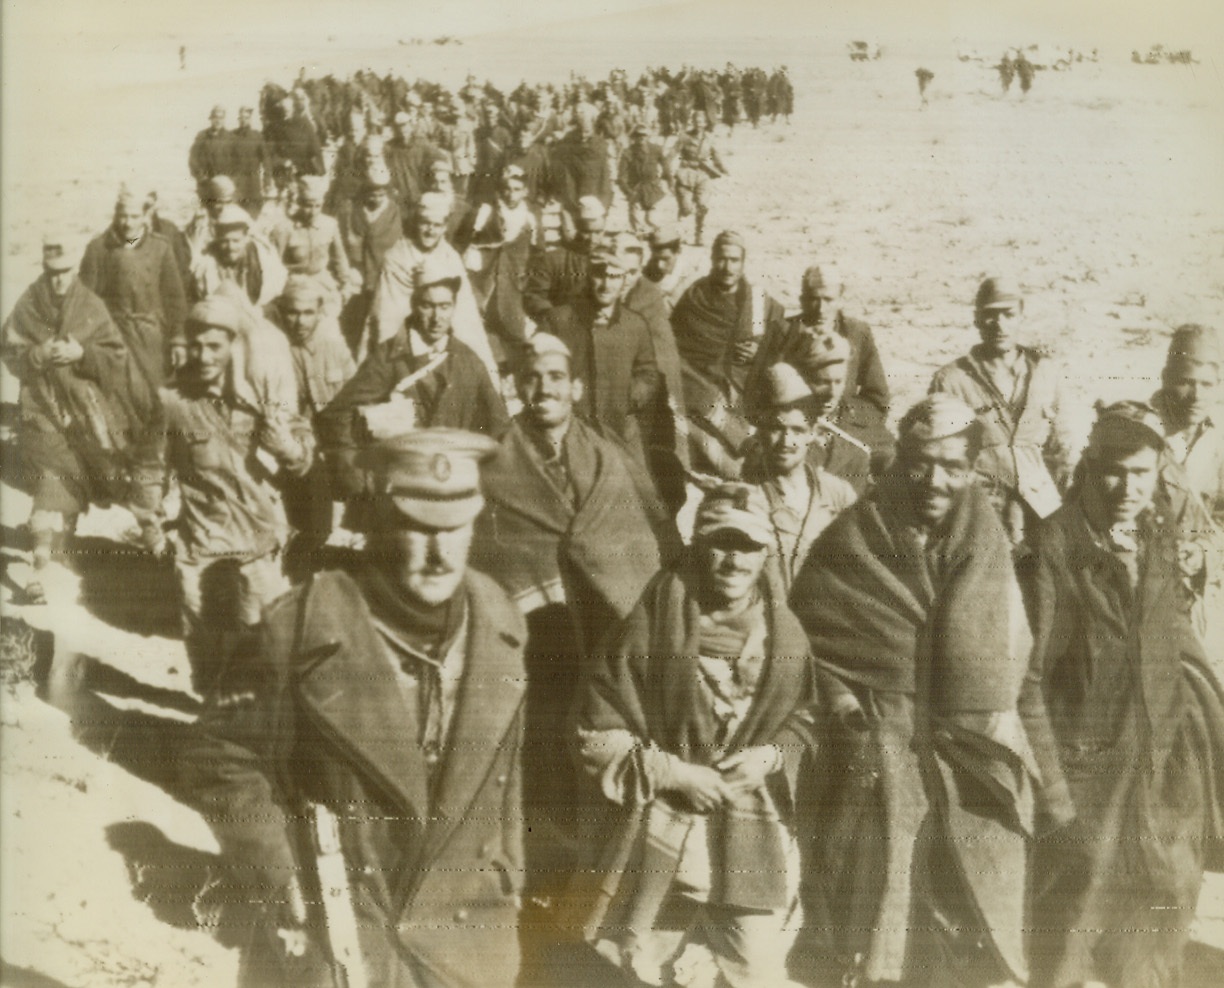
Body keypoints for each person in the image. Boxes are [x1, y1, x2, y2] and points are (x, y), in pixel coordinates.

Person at [179, 428, 528, 988]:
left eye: (454, 528)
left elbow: (504, 773)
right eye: (417, 527)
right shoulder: (302, 625)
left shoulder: (500, 619)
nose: (438, 552)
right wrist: (279, 873)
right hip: (341, 932)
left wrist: (509, 871)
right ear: (381, 523)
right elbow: (219, 757)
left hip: (466, 941)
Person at [790, 394, 1070, 988]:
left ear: (972, 471)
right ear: (900, 462)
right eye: (921, 462)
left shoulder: (987, 545)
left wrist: (1048, 785)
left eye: (953, 466)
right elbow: (805, 641)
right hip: (877, 746)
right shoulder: (852, 538)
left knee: (968, 914)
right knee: (876, 913)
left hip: (972, 751)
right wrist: (842, 701)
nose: (935, 481)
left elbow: (1010, 670)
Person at [570, 482, 818, 988]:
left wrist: (769, 757)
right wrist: (675, 773)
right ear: (699, 545)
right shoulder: (649, 626)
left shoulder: (784, 634)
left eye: (748, 546)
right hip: (658, 826)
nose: (734, 561)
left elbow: (807, 718)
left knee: (758, 968)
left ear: (766, 552)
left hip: (751, 829)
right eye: (722, 543)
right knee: (630, 963)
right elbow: (593, 730)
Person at [1022, 401, 1224, 988]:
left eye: (1142, 473)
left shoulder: (1154, 535)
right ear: (1088, 465)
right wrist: (1056, 795)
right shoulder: (1053, 550)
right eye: (1115, 470)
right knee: (1065, 951)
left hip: (1162, 785)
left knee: (1156, 947)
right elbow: (1028, 682)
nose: (1128, 488)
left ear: (1159, 470)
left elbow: (1176, 642)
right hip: (1084, 789)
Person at [142, 296, 313, 696]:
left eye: (215, 346)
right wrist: (150, 526)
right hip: (201, 547)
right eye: (197, 345)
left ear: (233, 346)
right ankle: (212, 721)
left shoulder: (260, 397)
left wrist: (289, 447)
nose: (204, 356)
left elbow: (302, 449)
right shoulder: (173, 402)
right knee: (208, 656)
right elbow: (149, 467)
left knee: (270, 649)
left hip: (258, 545)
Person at [1, 235, 151, 604]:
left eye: (65, 272)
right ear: (44, 270)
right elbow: (9, 349)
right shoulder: (28, 305)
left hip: (92, 413)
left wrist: (81, 353)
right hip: (42, 408)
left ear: (75, 271)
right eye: (52, 273)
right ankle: (41, 567)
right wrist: (37, 355)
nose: (58, 280)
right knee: (54, 476)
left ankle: (153, 539)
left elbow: (115, 357)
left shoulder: (91, 305)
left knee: (109, 472)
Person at [319, 261, 509, 506]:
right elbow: (337, 415)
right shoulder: (389, 358)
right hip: (398, 488)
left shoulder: (468, 360)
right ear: (414, 305)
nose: (436, 317)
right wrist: (357, 474)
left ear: (453, 308)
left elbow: (500, 426)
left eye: (444, 306)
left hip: (451, 485)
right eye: (427, 306)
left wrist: (484, 477)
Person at [930, 276, 1077, 544]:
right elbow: (939, 456)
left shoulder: (1047, 373)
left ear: (1021, 315)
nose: (999, 324)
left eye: (1008, 314)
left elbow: (1063, 446)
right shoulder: (951, 380)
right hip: (981, 511)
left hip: (1042, 507)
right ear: (976, 319)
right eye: (989, 315)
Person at [671, 230, 786, 479]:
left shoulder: (757, 300)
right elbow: (673, 342)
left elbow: (784, 340)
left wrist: (762, 352)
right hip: (699, 382)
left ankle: (742, 454)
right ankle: (740, 451)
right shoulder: (695, 296)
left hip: (744, 388)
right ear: (713, 260)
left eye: (734, 260)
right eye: (722, 259)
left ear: (743, 263)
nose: (727, 267)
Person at [540, 248, 661, 477]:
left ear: (624, 281)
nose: (606, 285)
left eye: (614, 277)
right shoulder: (558, 320)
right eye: (599, 275)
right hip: (569, 428)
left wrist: (628, 397)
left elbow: (648, 373)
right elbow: (538, 367)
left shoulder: (635, 325)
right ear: (587, 275)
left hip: (618, 428)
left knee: (639, 497)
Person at [267, 275, 356, 573]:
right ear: (281, 311)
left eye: (308, 312)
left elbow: (355, 395)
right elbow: (284, 416)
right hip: (298, 445)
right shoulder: (273, 351)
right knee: (314, 521)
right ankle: (298, 569)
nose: (300, 321)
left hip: (339, 441)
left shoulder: (334, 345)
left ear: (320, 311)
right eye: (292, 312)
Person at [743, 363, 857, 589]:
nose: (787, 441)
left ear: (813, 433)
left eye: (798, 430)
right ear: (761, 430)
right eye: (776, 429)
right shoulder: (744, 495)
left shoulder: (839, 495)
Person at [364, 191, 495, 378]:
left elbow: (465, 316)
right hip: (407, 338)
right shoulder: (397, 257)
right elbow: (388, 316)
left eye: (437, 225)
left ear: (444, 227)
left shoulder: (451, 257)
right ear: (416, 223)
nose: (430, 231)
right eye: (425, 223)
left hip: (443, 336)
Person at [753, 263, 891, 438]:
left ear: (840, 299)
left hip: (842, 428)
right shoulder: (782, 332)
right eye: (813, 299)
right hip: (790, 429)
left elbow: (877, 400)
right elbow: (756, 395)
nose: (821, 308)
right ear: (802, 300)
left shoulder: (857, 333)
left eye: (828, 299)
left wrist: (841, 417)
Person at [79, 187, 188, 391]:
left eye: (134, 216)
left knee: (156, 395)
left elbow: (175, 299)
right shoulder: (98, 249)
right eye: (123, 216)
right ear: (116, 215)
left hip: (153, 337)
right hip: (114, 337)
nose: (127, 223)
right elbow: (85, 300)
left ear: (146, 216)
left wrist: (178, 340)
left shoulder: (161, 248)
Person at [456, 163, 538, 369]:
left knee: (513, 327)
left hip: (512, 281)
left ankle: (513, 370)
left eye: (517, 189)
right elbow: (462, 242)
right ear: (500, 190)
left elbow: (537, 253)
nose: (511, 194)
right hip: (482, 279)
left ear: (525, 191)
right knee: (476, 325)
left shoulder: (529, 218)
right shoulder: (485, 212)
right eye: (507, 189)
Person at [1152, 324, 1224, 526]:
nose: (1197, 396)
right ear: (1166, 379)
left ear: (1218, 385)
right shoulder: (1136, 431)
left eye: (1207, 385)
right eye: (1186, 383)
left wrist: (1202, 552)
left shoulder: (1218, 441)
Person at [269, 176, 357, 309]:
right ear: (299, 203)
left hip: (321, 282)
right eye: (308, 206)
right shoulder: (284, 228)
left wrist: (346, 283)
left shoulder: (329, 225)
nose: (313, 212)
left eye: (318, 206)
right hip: (293, 285)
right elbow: (273, 265)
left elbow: (340, 258)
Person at [522, 195, 607, 323]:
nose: (592, 239)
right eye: (587, 232)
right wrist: (557, 320)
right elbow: (534, 297)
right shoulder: (553, 260)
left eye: (598, 232)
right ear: (577, 229)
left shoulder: (611, 259)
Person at [191, 203, 288, 307]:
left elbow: (275, 289)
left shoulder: (265, 259)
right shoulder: (208, 261)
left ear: (247, 238)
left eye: (236, 241)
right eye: (224, 241)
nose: (230, 247)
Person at [669, 111, 727, 246]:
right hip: (685, 173)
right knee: (686, 208)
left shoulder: (709, 138)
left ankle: (699, 236)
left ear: (705, 124)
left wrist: (723, 168)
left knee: (703, 206)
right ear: (692, 123)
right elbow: (672, 153)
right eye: (696, 122)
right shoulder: (684, 137)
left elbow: (716, 155)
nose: (698, 125)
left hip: (703, 174)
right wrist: (667, 171)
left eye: (701, 122)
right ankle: (681, 232)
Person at [619, 124, 670, 236]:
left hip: (652, 187)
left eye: (644, 135)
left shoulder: (656, 149)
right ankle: (638, 235)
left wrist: (666, 180)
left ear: (648, 136)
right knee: (634, 213)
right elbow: (621, 176)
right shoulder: (628, 153)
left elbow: (666, 166)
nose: (641, 137)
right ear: (634, 137)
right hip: (636, 187)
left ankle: (659, 234)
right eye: (638, 135)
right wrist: (628, 191)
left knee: (651, 219)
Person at [642, 222, 702, 314]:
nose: (659, 265)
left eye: (665, 259)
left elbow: (668, 308)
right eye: (655, 258)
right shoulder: (650, 268)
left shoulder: (689, 276)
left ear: (678, 251)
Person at [229, 106, 269, 217]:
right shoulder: (231, 136)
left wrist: (267, 181)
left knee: (254, 214)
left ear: (250, 119)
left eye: (246, 118)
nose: (243, 120)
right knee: (237, 214)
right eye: (241, 118)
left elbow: (266, 160)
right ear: (238, 119)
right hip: (237, 184)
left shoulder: (257, 136)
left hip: (253, 184)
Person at [188, 105, 232, 191]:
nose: (218, 120)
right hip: (205, 183)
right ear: (211, 119)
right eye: (215, 117)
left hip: (224, 185)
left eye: (221, 118)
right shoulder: (202, 136)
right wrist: (201, 176)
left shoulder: (230, 137)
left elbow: (237, 161)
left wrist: (230, 179)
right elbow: (193, 158)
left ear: (224, 120)